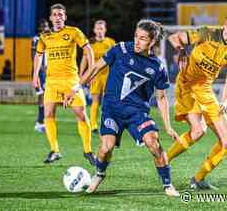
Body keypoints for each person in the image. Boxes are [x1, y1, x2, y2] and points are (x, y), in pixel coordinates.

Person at [64, 19, 181, 197]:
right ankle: (99, 174)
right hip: (112, 110)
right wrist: (76, 88)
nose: (137, 41)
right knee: (106, 148)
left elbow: (162, 97)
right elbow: (96, 67)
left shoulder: (157, 66)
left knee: (153, 143)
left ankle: (167, 184)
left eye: (142, 38)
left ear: (152, 42)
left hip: (137, 113)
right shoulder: (120, 49)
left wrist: (168, 126)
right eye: (136, 36)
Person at [166, 9, 227, 189]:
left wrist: (224, 101)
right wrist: (181, 50)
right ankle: (163, 161)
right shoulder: (207, 32)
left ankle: (199, 178)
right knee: (198, 130)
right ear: (225, 23)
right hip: (187, 85)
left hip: (205, 89)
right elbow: (174, 38)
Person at [32, 3, 96, 165]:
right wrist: (35, 76)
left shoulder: (73, 32)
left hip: (70, 80)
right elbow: (38, 56)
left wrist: (92, 67)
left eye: (61, 14)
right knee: (48, 115)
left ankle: (88, 151)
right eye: (55, 14)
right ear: (51, 18)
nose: (58, 17)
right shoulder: (44, 36)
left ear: (65, 17)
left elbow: (88, 49)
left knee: (81, 114)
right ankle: (55, 150)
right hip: (52, 81)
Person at [80, 20, 115, 134]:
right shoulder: (90, 43)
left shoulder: (110, 43)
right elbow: (85, 59)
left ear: (105, 30)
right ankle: (93, 125)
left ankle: (107, 123)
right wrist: (82, 74)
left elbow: (117, 58)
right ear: (94, 30)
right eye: (97, 28)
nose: (99, 31)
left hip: (108, 75)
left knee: (108, 100)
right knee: (95, 100)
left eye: (101, 28)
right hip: (95, 75)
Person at [32, 19, 51, 133]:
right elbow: (33, 56)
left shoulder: (49, 38)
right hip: (39, 72)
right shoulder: (36, 39)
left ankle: (42, 122)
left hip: (47, 73)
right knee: (41, 97)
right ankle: (39, 123)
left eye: (47, 26)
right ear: (40, 28)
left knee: (46, 98)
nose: (46, 28)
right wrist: (37, 73)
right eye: (44, 26)